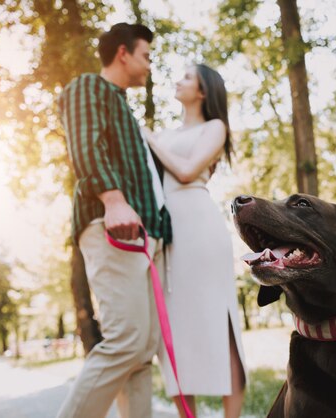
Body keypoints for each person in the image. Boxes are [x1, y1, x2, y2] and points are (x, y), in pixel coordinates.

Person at [55, 23, 172, 418]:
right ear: (123, 53)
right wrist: (113, 199)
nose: (149, 65)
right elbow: (85, 145)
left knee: (142, 349)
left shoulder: (123, 105)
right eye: (146, 56)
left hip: (145, 234)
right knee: (126, 341)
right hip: (114, 227)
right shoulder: (88, 87)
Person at [145, 64, 246, 418]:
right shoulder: (164, 133)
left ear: (203, 91)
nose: (178, 79)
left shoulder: (214, 127)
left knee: (221, 323)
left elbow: (187, 171)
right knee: (172, 330)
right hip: (166, 234)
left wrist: (151, 139)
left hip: (201, 230)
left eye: (186, 77)